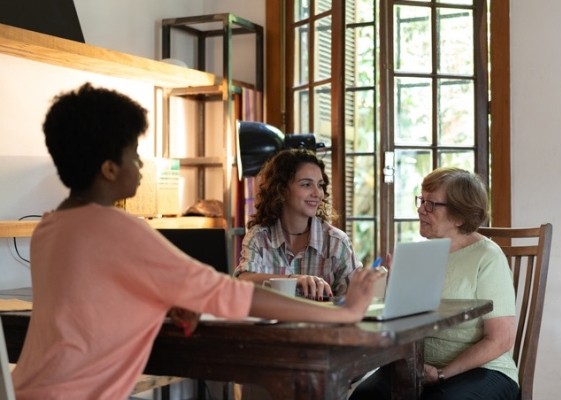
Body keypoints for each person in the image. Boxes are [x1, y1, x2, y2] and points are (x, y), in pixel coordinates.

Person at [10, 83, 383, 400]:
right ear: (109, 169)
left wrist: (167, 301)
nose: (141, 165)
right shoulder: (121, 230)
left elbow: (93, 305)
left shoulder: (49, 228)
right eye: (134, 154)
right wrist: (344, 313)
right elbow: (233, 294)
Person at [350, 167, 519, 400]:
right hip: (415, 365)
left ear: (460, 216)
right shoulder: (416, 254)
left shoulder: (488, 256)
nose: (420, 209)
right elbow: (402, 327)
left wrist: (441, 374)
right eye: (421, 200)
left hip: (482, 370)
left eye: (431, 204)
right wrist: (395, 291)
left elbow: (501, 339)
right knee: (365, 396)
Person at [234, 149, 361, 301]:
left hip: (322, 324)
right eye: (306, 184)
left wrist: (383, 282)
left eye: (320, 185)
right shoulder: (259, 237)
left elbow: (359, 298)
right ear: (281, 190)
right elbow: (243, 281)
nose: (317, 193)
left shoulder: (337, 242)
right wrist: (293, 279)